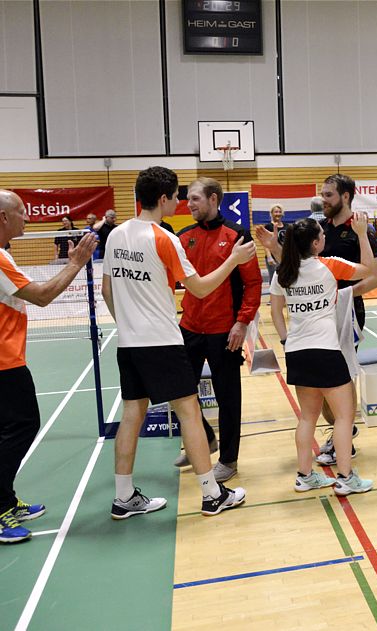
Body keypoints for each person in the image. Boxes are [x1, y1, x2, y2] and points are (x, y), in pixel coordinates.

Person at [102, 166, 255, 519]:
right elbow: (199, 288)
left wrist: (127, 323)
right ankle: (212, 495)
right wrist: (233, 260)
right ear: (162, 199)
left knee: (131, 415)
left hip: (129, 342)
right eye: (175, 197)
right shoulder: (165, 239)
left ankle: (123, 498)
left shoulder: (116, 234)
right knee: (189, 413)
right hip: (162, 341)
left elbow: (107, 289)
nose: (179, 203)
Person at [0, 190, 97, 543]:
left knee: (10, 430)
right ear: (3, 217)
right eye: (21, 211)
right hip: (4, 363)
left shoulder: (4, 254)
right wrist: (76, 263)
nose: (27, 218)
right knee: (22, 427)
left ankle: (6, 500)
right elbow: (42, 296)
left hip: (8, 358)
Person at [269, 214, 376, 495]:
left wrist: (285, 339)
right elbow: (368, 269)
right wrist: (361, 234)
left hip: (297, 351)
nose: (325, 236)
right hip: (326, 350)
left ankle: (305, 476)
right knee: (344, 417)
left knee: (307, 418)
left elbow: (275, 312)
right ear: (316, 243)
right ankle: (346, 478)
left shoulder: (283, 272)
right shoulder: (329, 265)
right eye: (321, 234)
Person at [172, 177, 262, 482]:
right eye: (188, 199)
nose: (189, 204)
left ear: (213, 199)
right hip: (189, 326)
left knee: (228, 398)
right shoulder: (184, 237)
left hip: (225, 331)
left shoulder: (238, 235)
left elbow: (253, 284)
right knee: (180, 391)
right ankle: (203, 440)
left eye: (195, 198)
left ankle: (228, 459)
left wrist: (242, 322)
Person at [315, 174, 377, 464]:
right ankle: (342, 432)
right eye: (322, 194)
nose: (323, 199)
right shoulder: (320, 228)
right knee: (322, 380)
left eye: (328, 195)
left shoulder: (362, 230)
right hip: (319, 313)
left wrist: (343, 295)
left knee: (341, 378)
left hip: (348, 312)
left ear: (345, 196)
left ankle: (344, 441)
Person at [264, 204, 289, 281]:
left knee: (286, 278)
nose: (278, 214)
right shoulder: (268, 226)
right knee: (274, 279)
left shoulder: (287, 226)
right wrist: (269, 257)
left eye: (279, 212)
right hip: (273, 258)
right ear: (271, 213)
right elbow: (266, 244)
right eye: (276, 212)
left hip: (284, 257)